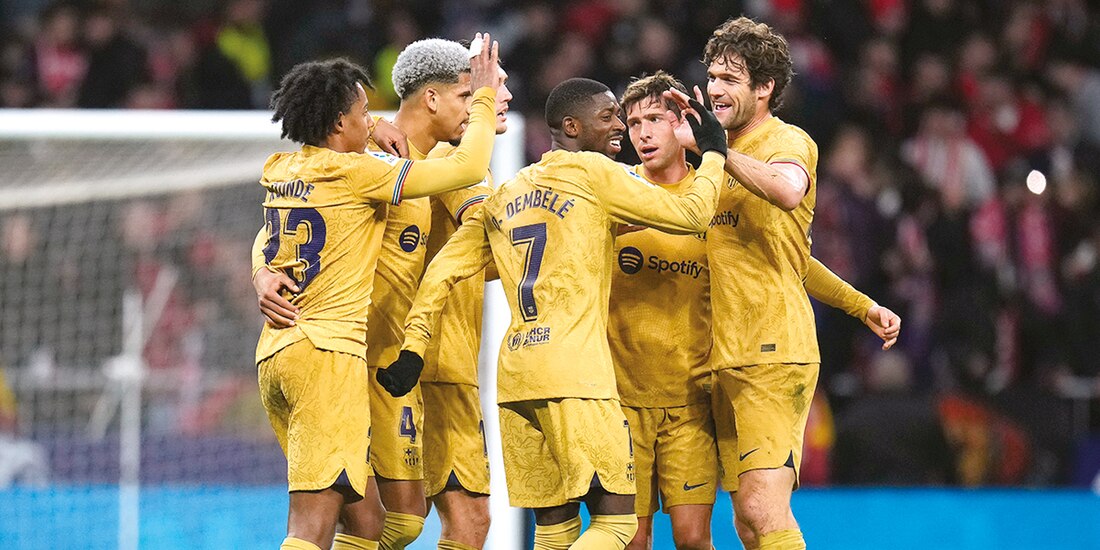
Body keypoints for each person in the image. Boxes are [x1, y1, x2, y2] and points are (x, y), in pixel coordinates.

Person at [378, 77, 727, 550]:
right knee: (617, 526)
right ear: (572, 127)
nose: (620, 127)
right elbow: (692, 215)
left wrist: (413, 349)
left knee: (554, 530)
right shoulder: (594, 175)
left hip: (517, 378)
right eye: (608, 117)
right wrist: (714, 153)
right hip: (577, 375)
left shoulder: (506, 192)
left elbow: (441, 272)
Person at [615, 71, 901, 550]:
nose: (643, 133)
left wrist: (861, 304)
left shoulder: (710, 194)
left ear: (684, 123)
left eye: (655, 120)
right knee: (635, 537)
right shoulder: (618, 191)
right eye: (634, 123)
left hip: (695, 397)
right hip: (624, 395)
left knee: (703, 533)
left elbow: (789, 257)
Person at [251, 40, 502, 550]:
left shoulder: (290, 165)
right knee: (322, 525)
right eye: (364, 111)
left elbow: (277, 227)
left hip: (305, 351)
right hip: (342, 355)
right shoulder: (368, 167)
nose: (373, 118)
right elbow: (467, 168)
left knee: (381, 524)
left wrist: (261, 270)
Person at [418, 63, 513, 550]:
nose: (507, 96)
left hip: (440, 361)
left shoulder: (441, 158)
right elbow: (496, 241)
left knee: (393, 521)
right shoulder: (452, 160)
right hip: (434, 366)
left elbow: (482, 259)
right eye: (495, 87)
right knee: (461, 522)